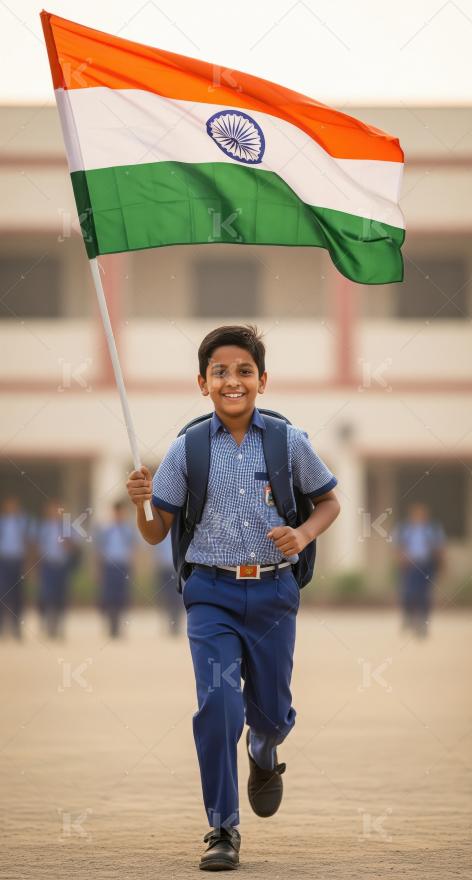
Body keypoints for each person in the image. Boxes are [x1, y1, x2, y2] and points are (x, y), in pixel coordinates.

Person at [127, 324, 341, 871]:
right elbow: (156, 532)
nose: (232, 380)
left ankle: (265, 750)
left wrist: (304, 535)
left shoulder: (288, 442)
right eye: (220, 371)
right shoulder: (186, 449)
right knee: (218, 707)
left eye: (244, 370)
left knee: (269, 710)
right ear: (203, 382)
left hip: (273, 591)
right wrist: (142, 503)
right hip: (211, 594)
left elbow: (329, 502)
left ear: (262, 380)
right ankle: (222, 826)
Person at [392, 501, 446, 638]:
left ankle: (423, 623)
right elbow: (397, 547)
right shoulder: (405, 529)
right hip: (410, 566)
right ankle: (409, 617)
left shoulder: (433, 529)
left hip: (427, 565)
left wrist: (443, 565)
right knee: (408, 594)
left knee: (425, 595)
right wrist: (400, 560)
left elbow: (440, 548)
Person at [35, 500, 78, 639]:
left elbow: (75, 546)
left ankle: (59, 627)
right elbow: (37, 547)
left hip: (62, 566)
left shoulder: (67, 527)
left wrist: (68, 543)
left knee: (61, 597)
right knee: (47, 596)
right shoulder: (44, 527)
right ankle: (48, 625)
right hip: (48, 565)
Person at [95, 501, 137, 638]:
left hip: (123, 567)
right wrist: (98, 570)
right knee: (108, 597)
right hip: (109, 566)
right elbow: (99, 550)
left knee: (122, 597)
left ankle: (119, 628)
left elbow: (133, 549)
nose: (119, 515)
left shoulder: (128, 530)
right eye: (117, 512)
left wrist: (133, 567)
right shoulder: (106, 530)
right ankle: (111, 627)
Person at [0, 496, 32, 639]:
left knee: (18, 596)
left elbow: (30, 543)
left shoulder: (23, 523)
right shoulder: (2, 522)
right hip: (4, 562)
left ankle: (16, 628)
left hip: (18, 561)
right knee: (3, 595)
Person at [151, 535, 182, 636]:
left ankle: (175, 626)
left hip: (176, 569)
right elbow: (156, 552)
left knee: (176, 597)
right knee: (164, 598)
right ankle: (165, 624)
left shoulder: (179, 530)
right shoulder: (161, 532)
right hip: (163, 569)